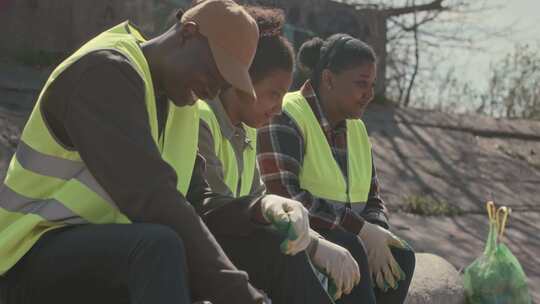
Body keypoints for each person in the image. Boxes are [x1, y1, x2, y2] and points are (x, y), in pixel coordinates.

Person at [0, 1, 313, 303]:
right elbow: (153, 198)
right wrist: (241, 295)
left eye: (223, 85)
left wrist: (259, 209)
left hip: (110, 253)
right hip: (29, 257)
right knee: (159, 246)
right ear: (188, 33)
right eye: (213, 74)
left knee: (271, 247)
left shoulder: (181, 102)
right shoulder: (104, 71)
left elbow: (197, 205)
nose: (213, 92)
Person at [196, 6, 359, 303]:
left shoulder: (247, 130)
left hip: (228, 249)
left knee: (336, 253)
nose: (279, 107)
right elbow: (214, 213)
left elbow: (257, 194)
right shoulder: (203, 119)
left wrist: (316, 243)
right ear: (240, 80)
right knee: (282, 253)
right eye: (273, 93)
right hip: (201, 252)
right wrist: (310, 246)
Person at [257, 34, 417, 304]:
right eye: (361, 84)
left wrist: (377, 231)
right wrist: (361, 229)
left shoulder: (356, 126)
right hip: (299, 239)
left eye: (372, 85)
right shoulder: (286, 114)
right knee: (351, 246)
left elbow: (372, 197)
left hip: (347, 235)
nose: (369, 94)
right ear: (329, 80)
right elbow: (285, 195)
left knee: (401, 256)